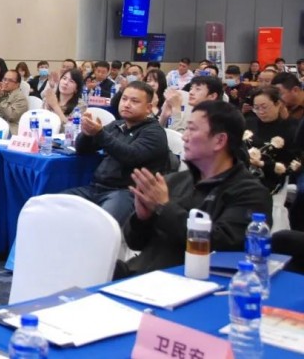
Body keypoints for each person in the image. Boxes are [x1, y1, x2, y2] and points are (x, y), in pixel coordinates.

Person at [116, 101, 273, 277]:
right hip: (140, 274)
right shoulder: (174, 181)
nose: (184, 137)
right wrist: (143, 218)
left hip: (190, 281)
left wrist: (163, 208)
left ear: (219, 140)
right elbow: (135, 243)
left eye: (192, 129)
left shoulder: (250, 193)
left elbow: (221, 245)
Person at [64, 81, 170, 226]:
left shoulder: (154, 132)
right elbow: (83, 150)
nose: (127, 104)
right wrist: (87, 134)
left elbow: (130, 156)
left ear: (148, 108)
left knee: (101, 225)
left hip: (126, 192)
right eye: (124, 99)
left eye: (134, 101)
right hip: (95, 188)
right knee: (52, 207)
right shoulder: (116, 125)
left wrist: (99, 133)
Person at [244, 86, 301, 193]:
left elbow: (293, 164)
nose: (260, 112)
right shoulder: (248, 123)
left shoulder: (291, 129)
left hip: (272, 180)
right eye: (256, 108)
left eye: (264, 107)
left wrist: (262, 164)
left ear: (278, 104)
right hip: (243, 177)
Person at [0, 70, 28, 136]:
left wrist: (0, 98)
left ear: (17, 84)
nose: (6, 82)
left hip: (10, 130)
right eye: (4, 79)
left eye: (10, 80)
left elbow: (11, 116)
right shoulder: (0, 93)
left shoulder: (21, 98)